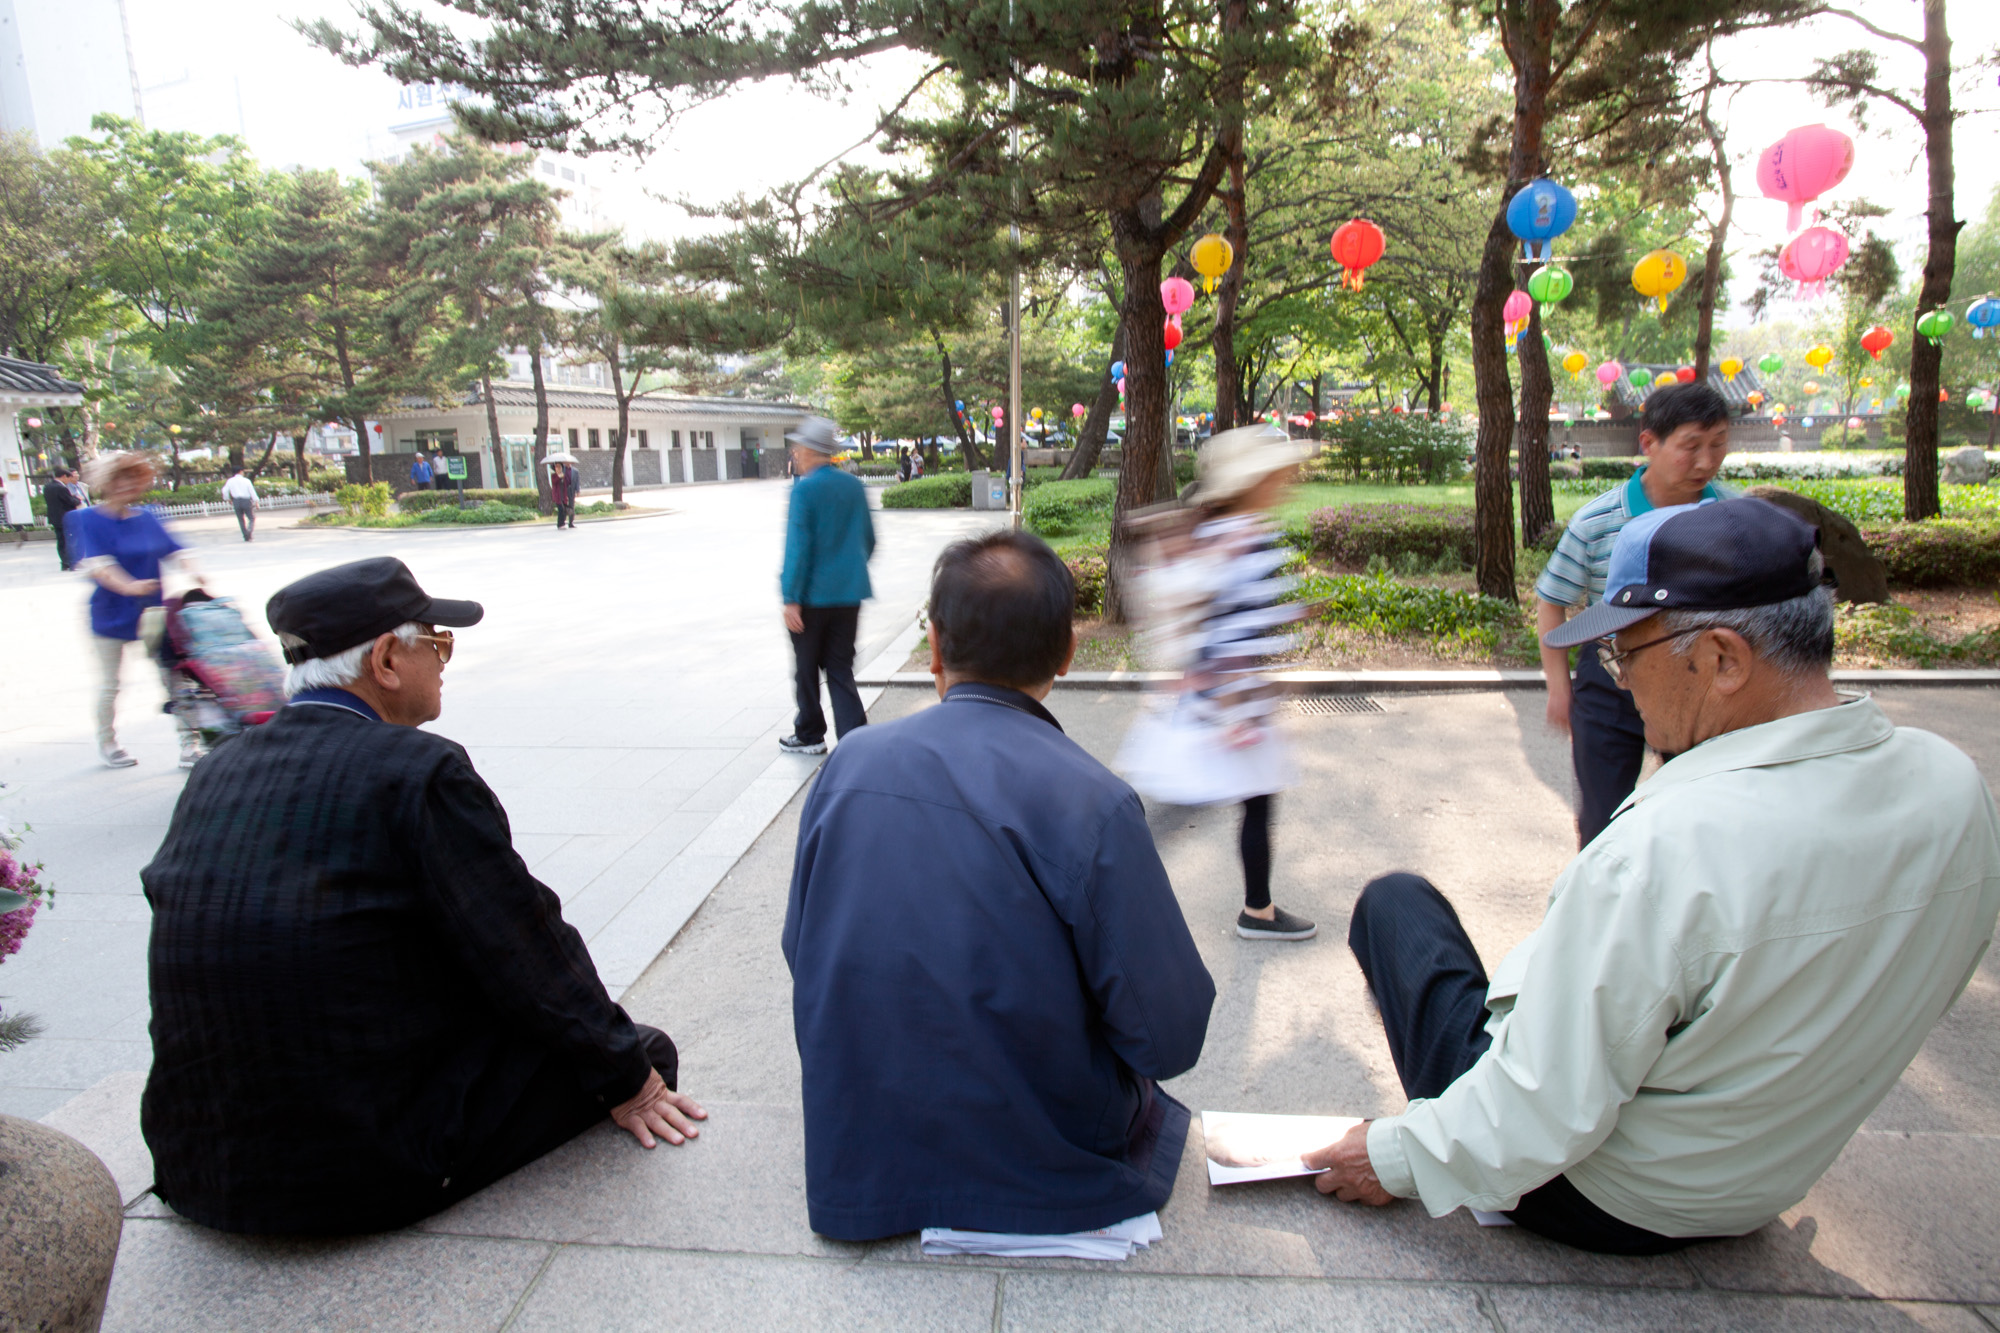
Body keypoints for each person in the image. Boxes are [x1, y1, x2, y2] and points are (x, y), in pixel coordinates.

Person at [1304, 498, 2000, 1255]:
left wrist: (1391, 1157)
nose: (1622, 685)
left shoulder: (1668, 849)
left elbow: (1539, 1110)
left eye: (1624, 654)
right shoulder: (1953, 786)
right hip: (1763, 1180)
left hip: (1601, 1195)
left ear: (1722, 659)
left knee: (1397, 907)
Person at [140, 557, 706, 1235]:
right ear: (384, 658)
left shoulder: (218, 767)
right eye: (437, 644)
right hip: (356, 1167)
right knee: (640, 1052)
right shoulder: (417, 771)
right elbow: (522, 946)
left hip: (196, 1158)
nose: (445, 663)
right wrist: (630, 1078)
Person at [783, 530, 1214, 1240]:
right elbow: (1168, 1036)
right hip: (1050, 1163)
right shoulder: (1093, 799)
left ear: (935, 648)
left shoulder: (848, 765)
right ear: (1068, 653)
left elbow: (804, 950)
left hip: (861, 1157)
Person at [1116, 424, 1318, 941]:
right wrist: (1243, 705)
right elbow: (1239, 631)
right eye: (1279, 472)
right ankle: (1099, 885)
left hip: (1208, 701)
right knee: (1190, 807)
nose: (1289, 479)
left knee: (1240, 801)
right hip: (1232, 708)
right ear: (1256, 482)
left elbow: (1220, 616)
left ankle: (1259, 908)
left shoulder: (1212, 533)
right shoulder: (1251, 542)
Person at [1535, 382, 1733, 847]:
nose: (1706, 462)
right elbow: (1552, 601)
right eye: (1691, 447)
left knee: (1698, 814)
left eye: (1718, 444)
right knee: (1602, 820)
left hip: (1699, 684)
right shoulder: (1597, 521)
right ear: (1649, 443)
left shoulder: (1733, 517)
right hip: (1610, 680)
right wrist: (1560, 690)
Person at [68, 452, 202, 769]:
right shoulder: (86, 518)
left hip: (154, 612)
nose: (127, 485)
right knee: (110, 685)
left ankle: (190, 744)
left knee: (175, 679)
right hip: (110, 613)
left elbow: (177, 551)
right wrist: (128, 586)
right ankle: (108, 742)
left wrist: (194, 572)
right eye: (119, 479)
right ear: (106, 483)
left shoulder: (149, 515)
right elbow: (99, 566)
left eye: (132, 478)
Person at [777, 416, 874, 756]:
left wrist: (791, 597)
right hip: (848, 595)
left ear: (808, 450)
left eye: (798, 447)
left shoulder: (804, 490)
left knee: (805, 668)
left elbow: (797, 549)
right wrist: (849, 568)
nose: (796, 453)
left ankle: (809, 733)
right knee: (839, 667)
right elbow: (868, 539)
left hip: (811, 599)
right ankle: (854, 740)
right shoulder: (853, 486)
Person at [41, 464, 84, 570]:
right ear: (64, 476)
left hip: (54, 517)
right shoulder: (61, 488)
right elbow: (69, 501)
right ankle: (70, 562)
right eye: (68, 478)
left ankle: (64, 562)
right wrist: (78, 499)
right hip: (64, 517)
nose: (68, 481)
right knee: (69, 541)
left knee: (61, 540)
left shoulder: (47, 487)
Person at [221, 466, 259, 542]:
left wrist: (227, 499)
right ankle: (249, 532)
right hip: (246, 500)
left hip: (236, 501)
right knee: (251, 518)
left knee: (241, 519)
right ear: (240, 471)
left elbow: (224, 490)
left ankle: (245, 536)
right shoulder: (246, 481)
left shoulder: (230, 481)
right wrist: (256, 501)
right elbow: (252, 491)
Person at [547, 453, 580, 529]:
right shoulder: (555, 475)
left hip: (565, 493)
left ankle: (569, 522)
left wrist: (577, 490)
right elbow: (555, 482)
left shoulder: (573, 471)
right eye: (557, 467)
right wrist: (559, 477)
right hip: (558, 495)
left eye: (559, 467)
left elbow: (572, 482)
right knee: (561, 509)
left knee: (568, 507)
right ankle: (560, 523)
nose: (559, 468)